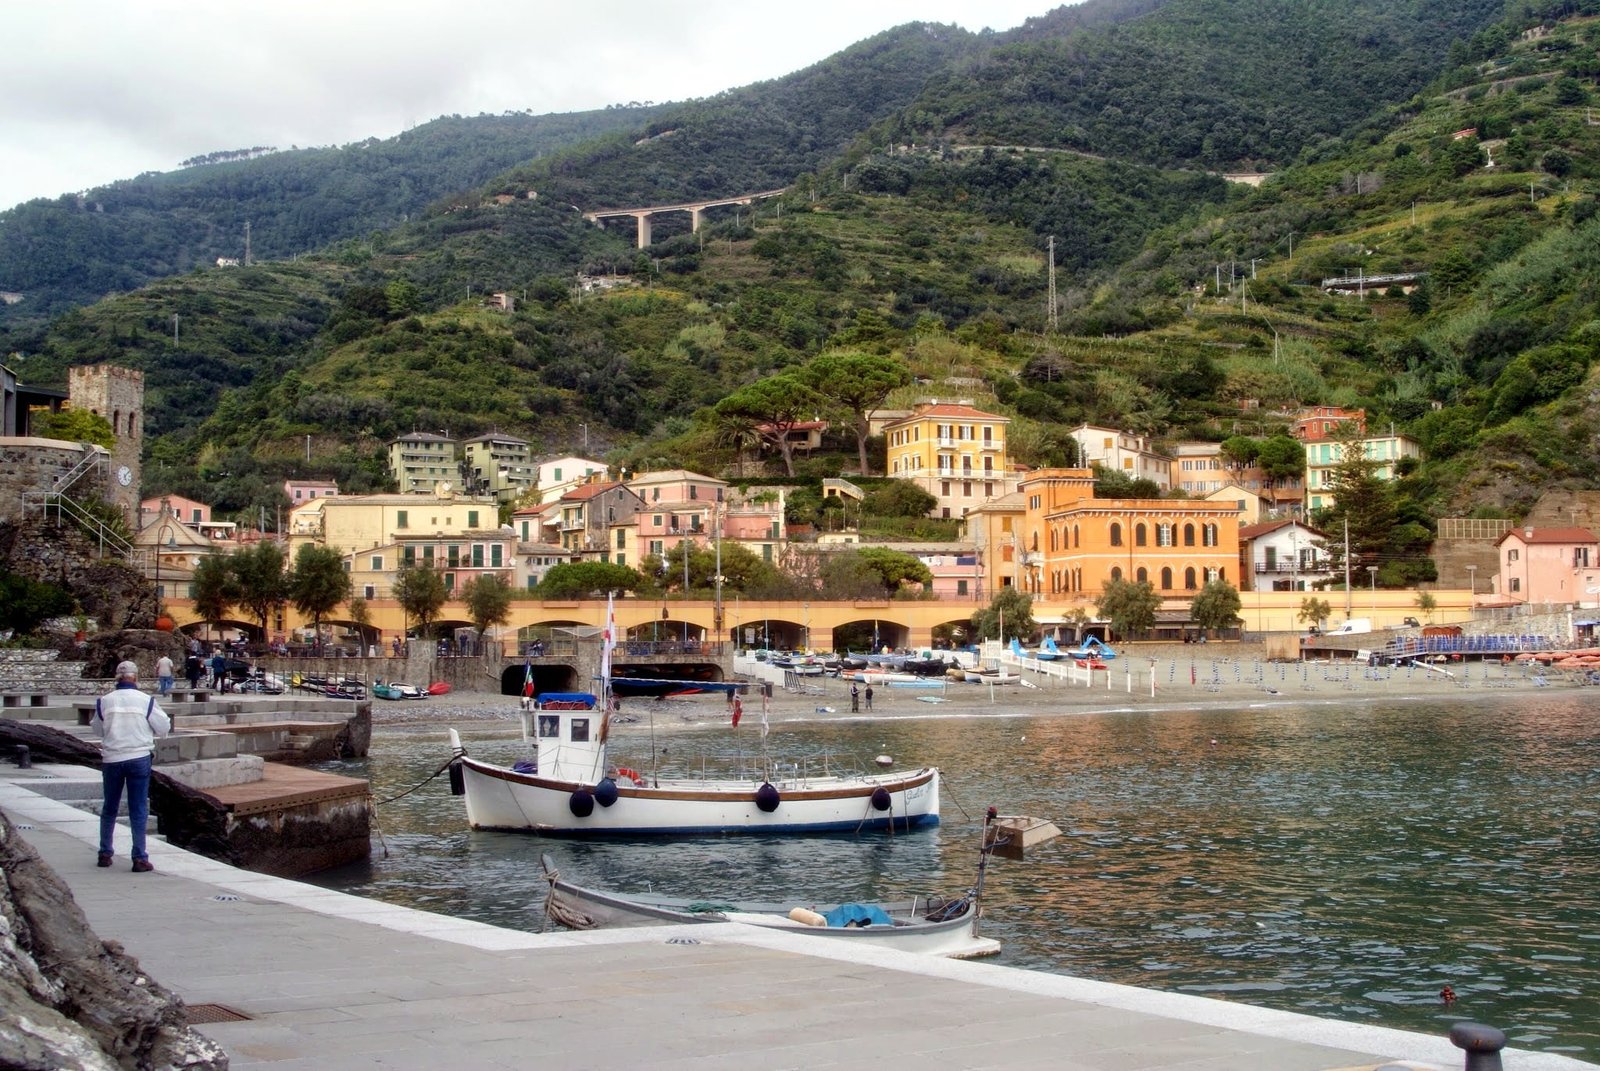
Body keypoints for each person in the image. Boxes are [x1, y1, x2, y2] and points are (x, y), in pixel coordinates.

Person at [90, 661, 170, 873]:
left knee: (110, 807)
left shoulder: (104, 701)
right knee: (138, 808)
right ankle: (139, 857)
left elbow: (97, 729)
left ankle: (105, 853)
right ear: (136, 678)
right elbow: (163, 727)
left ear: (117, 678)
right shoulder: (146, 701)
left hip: (112, 758)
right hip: (138, 757)